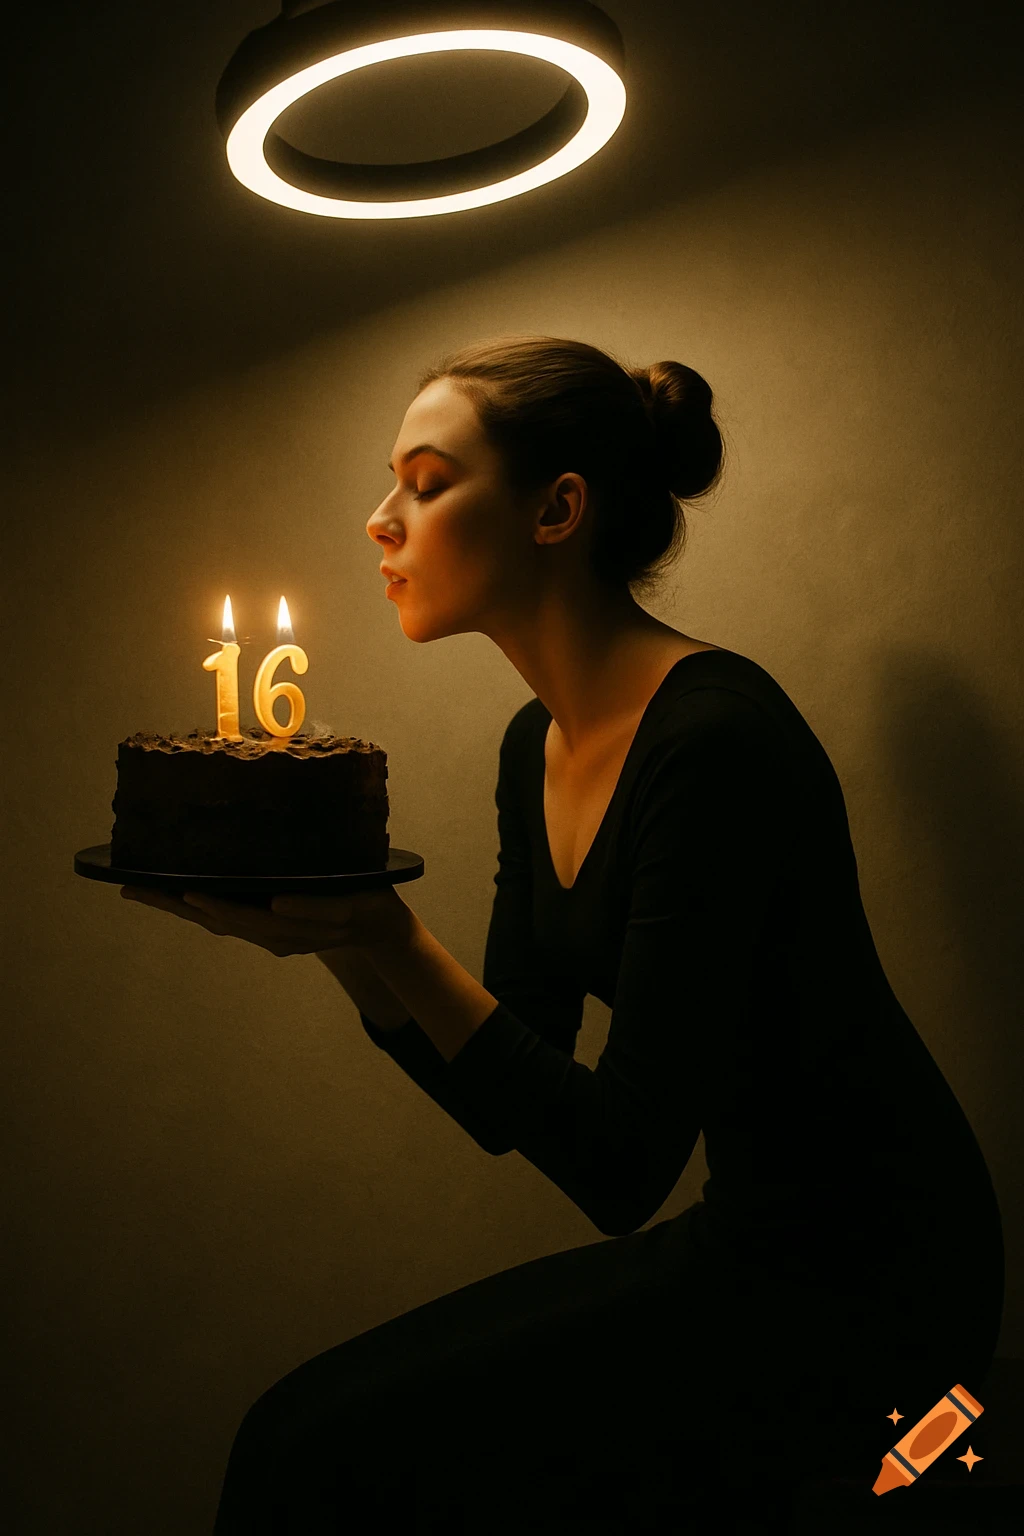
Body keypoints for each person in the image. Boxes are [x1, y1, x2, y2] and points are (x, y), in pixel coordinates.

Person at [124, 335, 1004, 1533]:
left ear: (558, 509)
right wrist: (343, 938)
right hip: (747, 1239)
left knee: (317, 1460)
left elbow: (618, 1168)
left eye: (427, 484)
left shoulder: (713, 744)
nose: (381, 520)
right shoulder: (530, 746)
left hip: (877, 1286)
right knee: (296, 1435)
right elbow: (513, 1080)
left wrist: (388, 934)